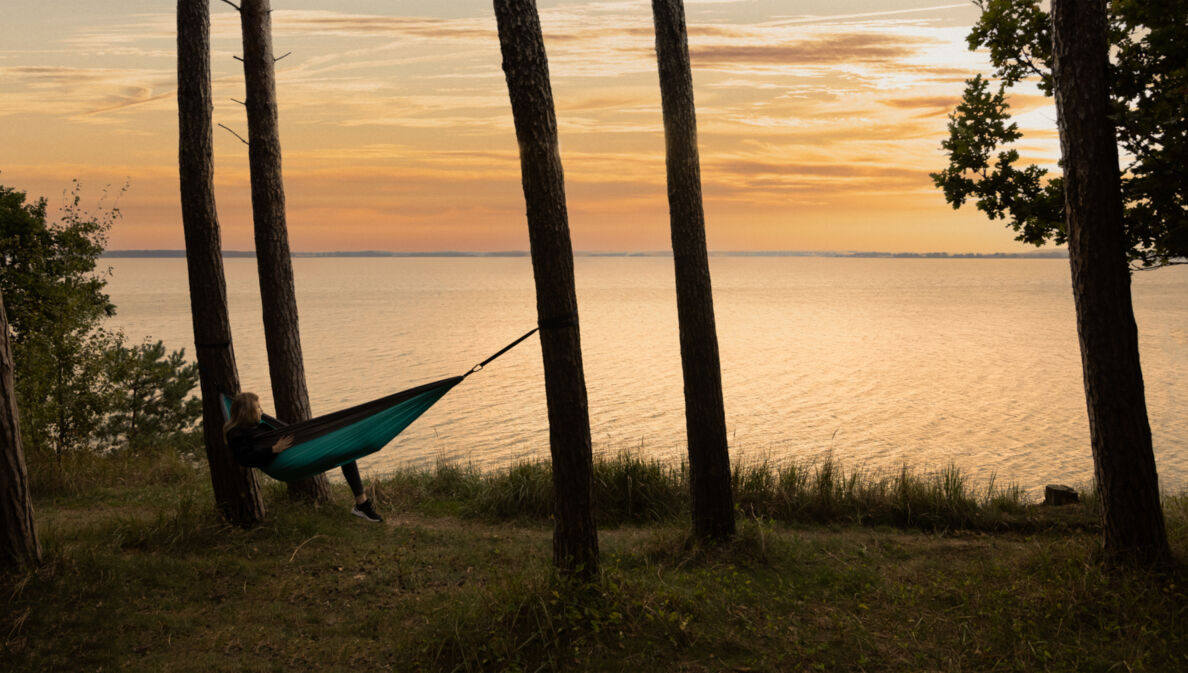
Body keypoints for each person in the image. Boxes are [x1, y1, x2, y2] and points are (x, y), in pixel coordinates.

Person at [223, 391, 384, 523]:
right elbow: (244, 459)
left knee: (347, 450)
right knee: (345, 450)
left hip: (295, 453)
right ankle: (362, 505)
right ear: (247, 412)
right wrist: (273, 449)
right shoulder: (238, 434)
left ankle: (361, 504)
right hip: (285, 463)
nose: (262, 411)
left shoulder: (253, 426)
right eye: (258, 408)